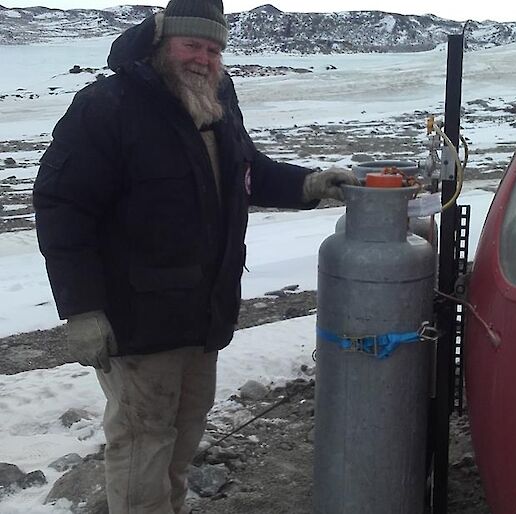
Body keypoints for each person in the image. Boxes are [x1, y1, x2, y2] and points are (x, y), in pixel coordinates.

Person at [32, 1, 358, 512]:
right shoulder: (107, 105)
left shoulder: (215, 98)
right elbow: (62, 208)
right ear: (163, 44)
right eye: (192, 45)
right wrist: (81, 309)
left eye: (213, 49)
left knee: (182, 437)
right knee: (142, 441)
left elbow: (247, 171)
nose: (203, 58)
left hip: (202, 312)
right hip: (136, 316)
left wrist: (310, 184)